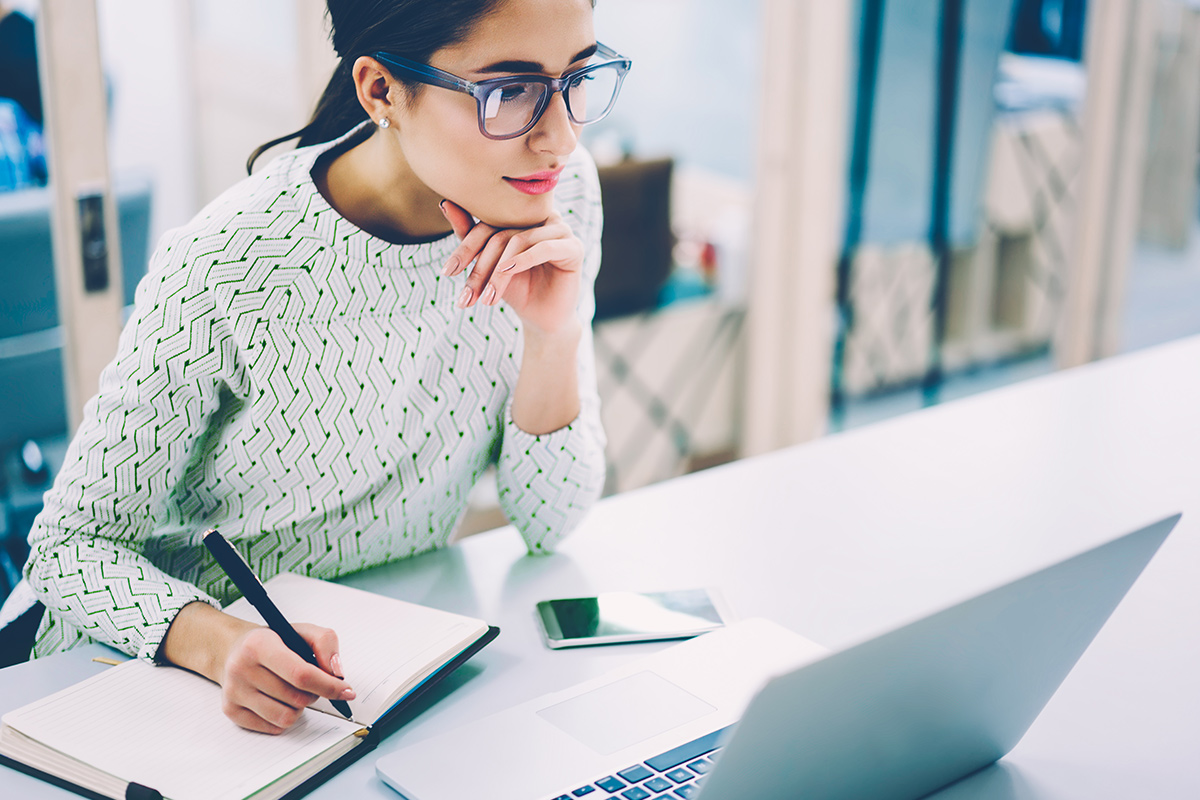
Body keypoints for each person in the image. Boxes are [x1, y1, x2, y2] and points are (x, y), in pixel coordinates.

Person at [7, 0, 625, 734]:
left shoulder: (558, 197)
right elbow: (70, 549)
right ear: (380, 90)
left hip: (370, 676)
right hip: (143, 682)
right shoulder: (228, 263)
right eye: (509, 91)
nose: (558, 138)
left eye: (579, 77)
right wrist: (217, 642)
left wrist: (554, 334)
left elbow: (551, 520)